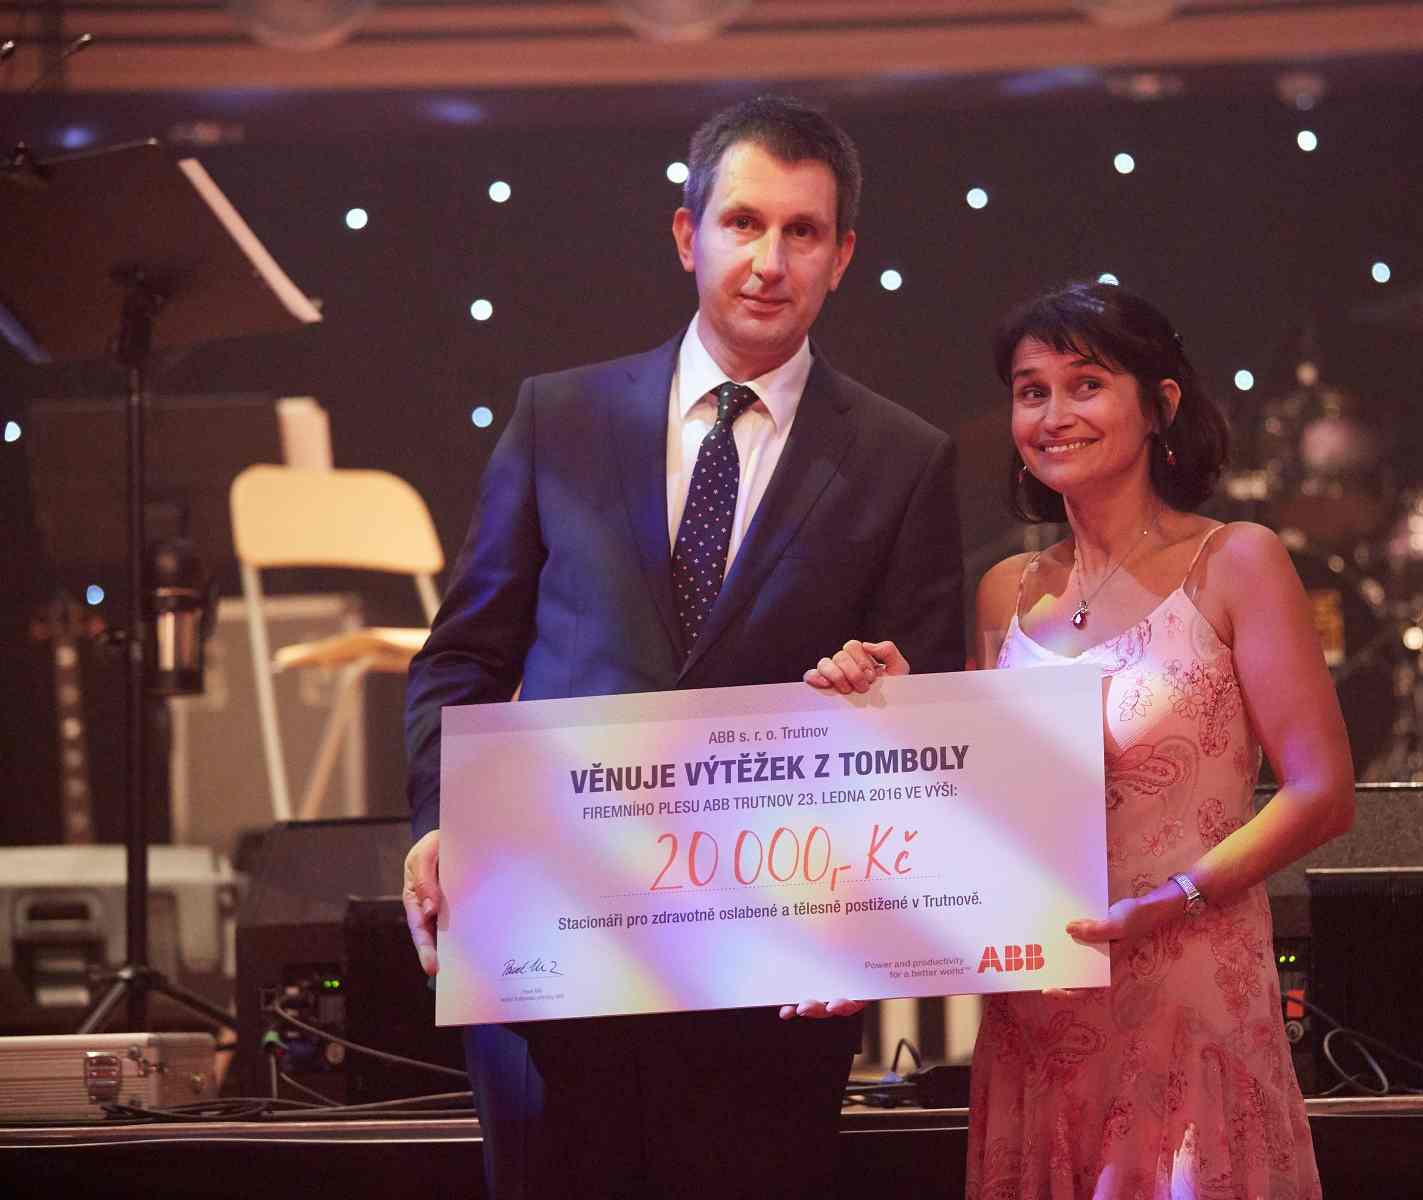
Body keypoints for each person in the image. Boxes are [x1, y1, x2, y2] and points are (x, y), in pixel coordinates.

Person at [398, 95, 965, 1200]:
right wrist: (437, 819)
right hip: (551, 951)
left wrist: (871, 919)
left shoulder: (904, 459)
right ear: (686, 234)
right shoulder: (558, 418)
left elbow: (931, 719)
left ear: (842, 256)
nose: (769, 260)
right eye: (743, 222)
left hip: (771, 982)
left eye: (803, 232)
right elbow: (462, 659)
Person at [964, 280, 1354, 1200]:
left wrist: (1174, 899)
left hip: (1189, 999)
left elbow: (1322, 791)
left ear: (1160, 404)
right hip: (1038, 1021)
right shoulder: (1004, 591)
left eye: (1087, 384)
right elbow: (982, 810)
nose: (1054, 415)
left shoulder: (1237, 560)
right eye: (1031, 391)